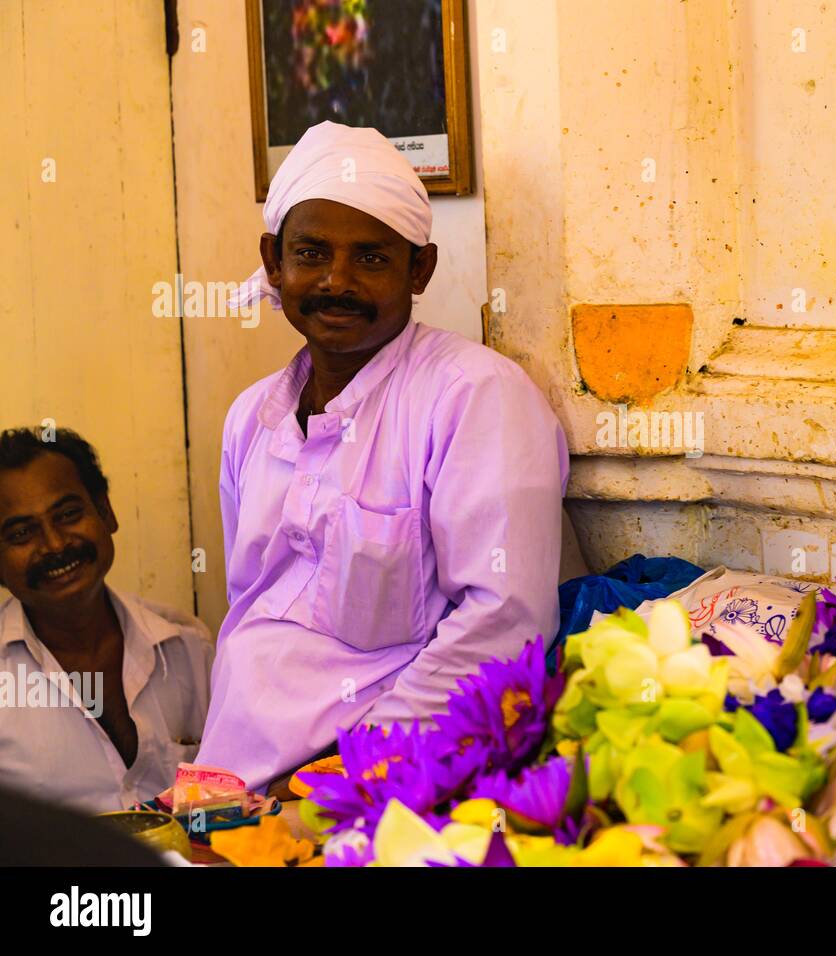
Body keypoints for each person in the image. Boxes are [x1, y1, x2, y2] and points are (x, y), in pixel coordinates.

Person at [197, 121, 570, 791]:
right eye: (311, 254)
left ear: (418, 268)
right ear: (274, 261)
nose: (336, 281)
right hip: (228, 780)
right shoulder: (250, 418)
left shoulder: (474, 396)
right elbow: (248, 607)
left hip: (376, 788)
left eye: (370, 258)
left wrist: (344, 775)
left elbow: (504, 626)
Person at [0, 427, 212, 814]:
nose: (54, 544)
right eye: (21, 533)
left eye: (67, 514)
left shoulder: (187, 648)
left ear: (106, 512)